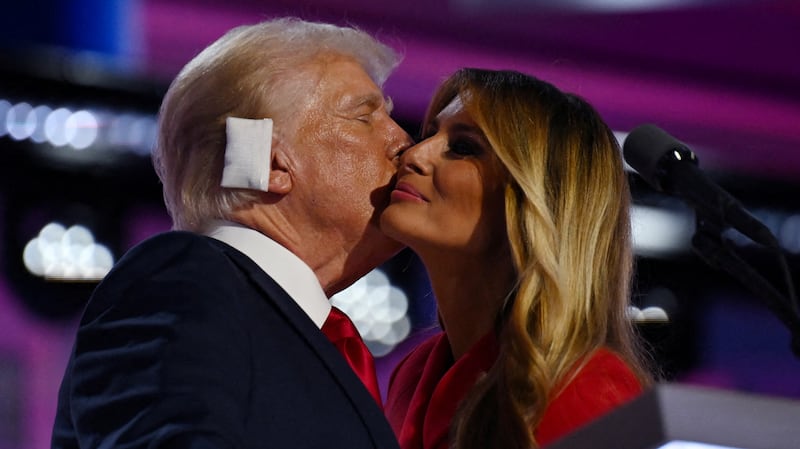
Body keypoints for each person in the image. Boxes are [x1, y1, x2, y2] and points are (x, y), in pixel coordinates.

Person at [51, 17, 413, 449]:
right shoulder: (179, 281)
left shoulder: (303, 333)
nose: (403, 140)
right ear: (275, 165)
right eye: (363, 116)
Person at [381, 68, 654, 449]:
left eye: (462, 147)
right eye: (430, 135)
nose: (413, 155)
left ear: (534, 201)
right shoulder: (415, 371)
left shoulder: (587, 391)